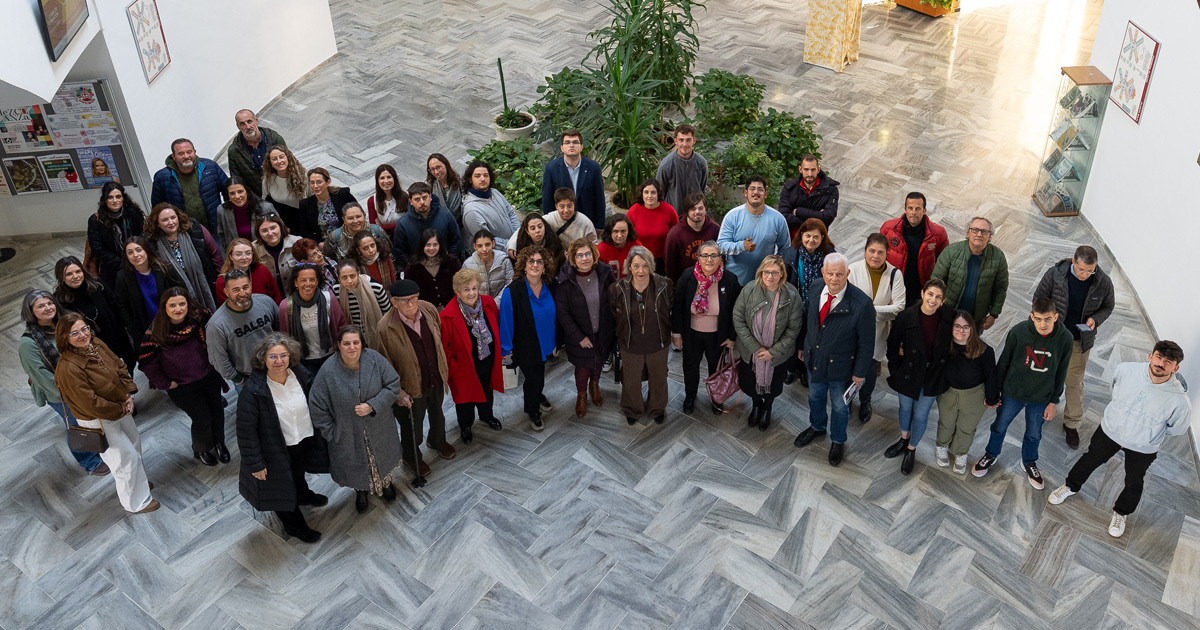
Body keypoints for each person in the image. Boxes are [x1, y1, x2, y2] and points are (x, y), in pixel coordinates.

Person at [1048, 341, 1192, 538]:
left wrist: (1146, 431)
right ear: (1150, 356)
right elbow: (1114, 389)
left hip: (1143, 446)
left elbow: (1176, 429)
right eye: (1158, 357)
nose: (1161, 363)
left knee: (1134, 481)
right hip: (1110, 431)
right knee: (1089, 460)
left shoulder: (1179, 400)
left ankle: (1121, 513)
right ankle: (1070, 486)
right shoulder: (1126, 370)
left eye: (1168, 362)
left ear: (1175, 367)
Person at [55, 313, 158, 514]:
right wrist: (121, 408)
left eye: (84, 329)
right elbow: (90, 403)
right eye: (74, 333)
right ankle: (136, 503)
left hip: (121, 406)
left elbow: (119, 365)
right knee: (123, 460)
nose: (83, 335)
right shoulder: (68, 368)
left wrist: (128, 394)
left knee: (134, 447)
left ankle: (140, 485)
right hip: (100, 420)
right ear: (64, 338)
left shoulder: (96, 344)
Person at [237, 333, 329, 543]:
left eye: (283, 355)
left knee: (297, 474)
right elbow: (246, 431)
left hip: (302, 440)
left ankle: (303, 495)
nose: (279, 361)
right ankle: (295, 527)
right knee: (280, 488)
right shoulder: (253, 391)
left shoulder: (299, 373)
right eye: (273, 357)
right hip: (275, 449)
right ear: (263, 359)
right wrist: (255, 463)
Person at [973, 297, 1074, 489]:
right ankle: (991, 455)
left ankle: (1029, 462)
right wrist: (994, 392)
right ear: (1032, 316)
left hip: (1041, 397)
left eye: (1047, 319)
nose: (1042, 324)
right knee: (999, 426)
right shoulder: (1018, 332)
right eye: (1038, 319)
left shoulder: (1065, 338)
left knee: (1034, 433)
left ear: (1056, 317)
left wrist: (1054, 401)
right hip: (1013, 392)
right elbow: (1003, 362)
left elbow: (1062, 371)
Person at [793, 253, 876, 466]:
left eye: (840, 274)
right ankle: (817, 427)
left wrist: (859, 374)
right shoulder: (815, 288)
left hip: (841, 368)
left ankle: (838, 440)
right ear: (823, 272)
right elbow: (808, 320)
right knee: (815, 398)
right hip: (814, 360)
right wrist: (804, 344)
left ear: (847, 274)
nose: (834, 278)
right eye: (830, 273)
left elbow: (867, 344)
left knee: (840, 407)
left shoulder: (862, 303)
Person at [310, 326, 402, 512]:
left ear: (362, 344)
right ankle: (360, 491)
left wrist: (373, 405)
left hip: (379, 427)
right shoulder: (328, 371)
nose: (351, 347)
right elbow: (316, 405)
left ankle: (386, 484)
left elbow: (393, 384)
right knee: (355, 467)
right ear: (338, 345)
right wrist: (332, 432)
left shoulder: (375, 359)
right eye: (346, 343)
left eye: (356, 342)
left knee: (383, 458)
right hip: (347, 433)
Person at [1033, 245, 1116, 449]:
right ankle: (1040, 413)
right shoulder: (1055, 274)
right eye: (1081, 270)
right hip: (1052, 337)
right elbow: (1039, 299)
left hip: (1080, 341)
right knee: (1045, 375)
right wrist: (1048, 321)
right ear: (1073, 262)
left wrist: (1095, 319)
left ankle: (1071, 424)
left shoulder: (1103, 282)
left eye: (1090, 270)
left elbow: (1108, 306)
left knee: (1074, 383)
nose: (1086, 274)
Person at [19, 291, 107, 476]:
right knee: (76, 426)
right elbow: (42, 377)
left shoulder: (63, 324)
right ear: (31, 312)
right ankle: (89, 461)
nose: (47, 308)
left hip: (83, 383)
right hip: (61, 394)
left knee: (91, 419)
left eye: (49, 303)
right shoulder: (28, 344)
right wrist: (72, 393)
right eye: (40, 306)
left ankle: (103, 446)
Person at [138, 288, 230, 466]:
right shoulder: (155, 333)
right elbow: (147, 363)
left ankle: (220, 442)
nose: (178, 309)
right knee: (202, 418)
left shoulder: (200, 318)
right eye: (172, 305)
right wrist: (165, 384)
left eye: (182, 304)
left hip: (208, 375)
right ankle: (201, 448)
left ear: (188, 304)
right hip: (182, 386)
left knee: (217, 410)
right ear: (164, 307)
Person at [376, 280, 455, 477]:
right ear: (394, 303)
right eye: (405, 301)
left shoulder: (428, 309)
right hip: (409, 387)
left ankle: (437, 441)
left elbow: (438, 336)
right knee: (412, 425)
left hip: (434, 376)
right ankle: (411, 456)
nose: (412, 304)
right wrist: (399, 394)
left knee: (438, 413)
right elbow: (384, 366)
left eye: (414, 298)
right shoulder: (385, 327)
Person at [883, 279, 955, 474]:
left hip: (932, 373)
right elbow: (892, 345)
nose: (933, 300)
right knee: (905, 407)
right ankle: (903, 439)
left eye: (938, 297)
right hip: (908, 371)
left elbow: (961, 337)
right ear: (923, 294)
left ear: (943, 300)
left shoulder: (949, 316)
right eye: (930, 294)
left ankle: (911, 449)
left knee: (921, 414)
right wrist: (896, 369)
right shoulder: (906, 317)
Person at [733, 255, 803, 432]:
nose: (770, 276)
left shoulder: (792, 296)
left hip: (777, 355)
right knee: (751, 382)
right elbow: (738, 319)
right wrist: (755, 348)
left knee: (772, 386)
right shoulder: (749, 290)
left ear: (782, 275)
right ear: (760, 272)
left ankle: (768, 407)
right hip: (751, 352)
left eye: (775, 272)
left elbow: (794, 329)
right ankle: (756, 405)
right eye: (766, 272)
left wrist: (773, 351)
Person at [673, 241, 741, 415]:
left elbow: (736, 311)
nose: (709, 259)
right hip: (691, 332)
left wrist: (732, 337)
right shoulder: (688, 276)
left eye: (714, 256)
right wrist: (677, 332)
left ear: (720, 258)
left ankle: (716, 399)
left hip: (718, 335)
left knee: (716, 368)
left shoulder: (730, 279)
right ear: (698, 258)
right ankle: (690, 396)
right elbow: (678, 305)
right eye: (705, 255)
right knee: (690, 366)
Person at [609, 246, 673, 425]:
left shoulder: (664, 284)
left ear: (651, 266)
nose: (641, 271)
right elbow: (614, 315)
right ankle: (632, 408)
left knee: (659, 377)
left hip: (658, 341)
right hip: (631, 342)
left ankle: (657, 408)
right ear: (629, 267)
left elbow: (670, 310)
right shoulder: (617, 289)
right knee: (630, 378)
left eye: (645, 266)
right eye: (636, 266)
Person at [846, 234, 905, 422]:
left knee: (870, 370)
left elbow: (899, 308)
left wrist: (867, 310)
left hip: (877, 333)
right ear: (865, 251)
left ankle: (865, 400)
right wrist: (883, 308)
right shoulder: (852, 270)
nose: (875, 256)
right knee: (849, 367)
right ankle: (847, 400)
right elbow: (845, 302)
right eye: (872, 251)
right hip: (851, 332)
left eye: (881, 252)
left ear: (887, 253)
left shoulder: (895, 274)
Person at [443, 268, 505, 441]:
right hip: (464, 369)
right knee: (465, 402)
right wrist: (455, 369)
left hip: (487, 362)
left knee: (487, 393)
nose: (471, 293)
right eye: (466, 289)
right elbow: (444, 348)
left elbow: (497, 326)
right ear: (457, 292)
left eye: (474, 288)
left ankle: (487, 416)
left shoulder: (488, 303)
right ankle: (465, 426)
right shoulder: (447, 316)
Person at [556, 239, 615, 418]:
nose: (584, 258)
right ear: (573, 258)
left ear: (594, 254)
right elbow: (563, 314)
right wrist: (579, 337)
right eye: (579, 255)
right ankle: (581, 395)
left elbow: (613, 299)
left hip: (603, 331)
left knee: (598, 361)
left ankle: (595, 385)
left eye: (587, 254)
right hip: (580, 336)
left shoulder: (605, 272)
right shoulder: (565, 280)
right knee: (582, 368)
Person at [935, 311, 999, 475]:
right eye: (957, 326)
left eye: (966, 327)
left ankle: (961, 453)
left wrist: (992, 398)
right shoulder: (943, 345)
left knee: (967, 427)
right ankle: (941, 446)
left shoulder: (985, 350)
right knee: (946, 422)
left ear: (972, 328)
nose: (961, 330)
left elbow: (991, 375)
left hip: (973, 395)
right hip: (947, 392)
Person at [499, 250, 557, 428]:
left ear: (545, 267)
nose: (535, 265)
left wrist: (556, 342)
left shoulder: (551, 286)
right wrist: (506, 349)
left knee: (539, 374)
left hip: (546, 342)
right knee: (532, 378)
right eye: (531, 261)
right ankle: (532, 411)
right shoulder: (513, 291)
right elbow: (506, 322)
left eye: (540, 261)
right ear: (523, 265)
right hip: (526, 345)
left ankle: (538, 396)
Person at [54, 255, 138, 375]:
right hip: (90, 345)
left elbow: (115, 305)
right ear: (61, 278)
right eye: (69, 274)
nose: (75, 276)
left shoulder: (97, 284)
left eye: (78, 271)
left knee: (127, 367)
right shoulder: (60, 300)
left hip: (117, 336)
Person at [931, 216, 1009, 332]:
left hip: (976, 318)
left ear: (990, 236)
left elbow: (1000, 288)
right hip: (948, 312)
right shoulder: (951, 251)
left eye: (984, 231)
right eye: (975, 230)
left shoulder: (998, 257)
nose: (979, 234)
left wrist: (993, 314)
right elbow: (936, 281)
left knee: (969, 347)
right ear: (968, 233)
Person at [144, 203, 224, 312]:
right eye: (165, 220)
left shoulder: (195, 230)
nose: (171, 222)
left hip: (206, 284)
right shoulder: (152, 243)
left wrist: (221, 277)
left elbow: (215, 253)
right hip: (175, 294)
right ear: (157, 223)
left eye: (173, 217)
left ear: (178, 217)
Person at [207, 270, 279, 389]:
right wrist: (240, 380)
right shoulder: (216, 324)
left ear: (250, 285)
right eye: (236, 289)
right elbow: (218, 359)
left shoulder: (266, 302)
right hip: (248, 378)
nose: (242, 293)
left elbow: (280, 331)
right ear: (226, 292)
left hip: (277, 367)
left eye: (245, 287)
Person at [717, 176, 791, 285]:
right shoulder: (732, 216)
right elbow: (720, 247)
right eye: (752, 189)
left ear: (765, 194)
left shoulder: (778, 219)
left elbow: (785, 250)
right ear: (746, 193)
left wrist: (775, 272)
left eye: (760, 189)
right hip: (734, 281)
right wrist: (742, 246)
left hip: (765, 282)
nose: (756, 192)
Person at [880, 192, 949, 308]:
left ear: (924, 210)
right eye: (910, 208)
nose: (913, 212)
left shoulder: (938, 233)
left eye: (918, 209)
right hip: (894, 287)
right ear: (905, 209)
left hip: (921, 290)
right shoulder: (888, 228)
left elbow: (944, 263)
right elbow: (880, 256)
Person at [113, 237, 185, 347]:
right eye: (130, 252)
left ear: (146, 250)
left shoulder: (165, 268)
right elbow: (122, 306)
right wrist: (132, 328)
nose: (136, 255)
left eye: (138, 250)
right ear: (126, 257)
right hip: (145, 329)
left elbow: (182, 291)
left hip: (172, 323)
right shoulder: (122, 278)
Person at [278, 263, 348, 375]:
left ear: (317, 282)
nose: (308, 284)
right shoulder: (286, 306)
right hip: (305, 361)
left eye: (312, 279)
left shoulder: (329, 298)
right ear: (296, 283)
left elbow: (342, 326)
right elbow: (285, 337)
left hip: (331, 355)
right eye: (303, 280)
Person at [151, 138, 228, 234]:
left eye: (189, 152)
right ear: (173, 156)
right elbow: (157, 209)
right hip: (185, 233)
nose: (186, 156)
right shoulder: (162, 177)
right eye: (181, 154)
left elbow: (228, 191)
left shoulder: (210, 167)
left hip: (216, 228)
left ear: (194, 152)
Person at [542, 129, 607, 230]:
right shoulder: (551, 169)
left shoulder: (593, 168)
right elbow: (547, 200)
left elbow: (599, 199)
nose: (571, 145)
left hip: (586, 224)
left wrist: (599, 227)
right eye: (567, 142)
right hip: (561, 225)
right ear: (562, 148)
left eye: (575, 142)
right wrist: (550, 227)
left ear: (581, 147)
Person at [87, 182, 146, 289]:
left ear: (123, 198)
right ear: (105, 200)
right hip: (113, 267)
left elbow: (143, 235)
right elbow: (98, 248)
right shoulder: (96, 220)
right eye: (110, 197)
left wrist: (134, 257)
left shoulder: (134, 213)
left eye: (118, 196)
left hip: (138, 260)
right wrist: (122, 264)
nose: (115, 201)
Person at [392, 182, 462, 268]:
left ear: (430, 197)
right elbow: (400, 251)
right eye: (417, 199)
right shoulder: (403, 224)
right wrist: (413, 267)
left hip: (445, 266)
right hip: (418, 270)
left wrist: (449, 260)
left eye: (424, 198)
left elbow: (456, 240)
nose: (422, 202)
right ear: (410, 201)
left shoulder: (446, 215)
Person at [462, 160, 521, 255]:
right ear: (470, 179)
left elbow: (511, 213)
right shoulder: (471, 210)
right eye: (477, 176)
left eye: (486, 175)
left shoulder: (495, 192)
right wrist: (512, 244)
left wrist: (518, 236)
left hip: (515, 245)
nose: (482, 179)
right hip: (497, 255)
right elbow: (486, 240)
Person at [228, 109, 286, 198]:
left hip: (282, 192)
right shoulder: (234, 151)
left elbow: (289, 164)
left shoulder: (275, 139)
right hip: (257, 199)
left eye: (249, 121)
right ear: (238, 127)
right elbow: (238, 179)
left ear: (256, 121)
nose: (247, 126)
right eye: (242, 124)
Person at [626, 178, 678, 275]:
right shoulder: (633, 211)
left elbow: (676, 234)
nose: (650, 196)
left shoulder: (669, 210)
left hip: (662, 259)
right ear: (642, 194)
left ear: (658, 194)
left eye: (653, 192)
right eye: (646, 192)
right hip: (639, 258)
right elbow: (627, 235)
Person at [334, 260, 391, 348]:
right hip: (352, 339)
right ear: (339, 278)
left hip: (376, 335)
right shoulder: (336, 291)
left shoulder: (375, 287)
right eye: (344, 277)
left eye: (352, 276)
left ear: (358, 274)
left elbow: (387, 314)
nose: (349, 281)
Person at [664, 193, 720, 283]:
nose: (697, 211)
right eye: (693, 209)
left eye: (700, 208)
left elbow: (722, 258)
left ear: (705, 209)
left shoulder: (716, 230)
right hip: (685, 282)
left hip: (711, 281)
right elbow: (670, 263)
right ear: (686, 211)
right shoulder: (675, 234)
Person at [779, 154, 840, 234]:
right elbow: (784, 216)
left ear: (818, 169)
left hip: (817, 239)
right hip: (793, 239)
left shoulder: (830, 189)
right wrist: (817, 218)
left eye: (813, 170)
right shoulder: (789, 188)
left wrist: (799, 212)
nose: (810, 174)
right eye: (806, 169)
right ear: (800, 169)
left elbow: (828, 217)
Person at [656, 124, 708, 213]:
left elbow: (702, 188)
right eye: (681, 140)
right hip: (674, 215)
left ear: (694, 140)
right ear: (675, 141)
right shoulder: (666, 165)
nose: (685, 144)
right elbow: (660, 193)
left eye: (688, 140)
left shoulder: (701, 163)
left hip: (695, 215)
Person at [298, 167, 359, 242]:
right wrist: (318, 243)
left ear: (328, 182)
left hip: (350, 238)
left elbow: (358, 214)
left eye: (319, 182)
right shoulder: (305, 204)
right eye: (312, 182)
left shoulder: (343, 194)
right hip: (325, 245)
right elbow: (305, 231)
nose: (315, 186)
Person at [406, 229, 462, 309]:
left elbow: (460, 284)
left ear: (440, 245)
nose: (431, 248)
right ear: (422, 246)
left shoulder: (451, 262)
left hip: (452, 307)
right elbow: (410, 292)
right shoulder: (413, 266)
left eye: (435, 245)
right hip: (426, 311)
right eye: (428, 245)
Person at [216, 237, 282, 305]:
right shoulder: (222, 281)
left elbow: (275, 298)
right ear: (230, 256)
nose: (244, 257)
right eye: (238, 254)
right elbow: (225, 308)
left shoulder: (262, 270)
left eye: (248, 253)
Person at [261, 145, 310, 235]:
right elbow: (265, 203)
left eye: (281, 157)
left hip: (304, 221)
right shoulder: (267, 180)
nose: (279, 161)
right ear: (270, 163)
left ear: (288, 158)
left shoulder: (305, 177)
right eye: (274, 159)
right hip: (282, 224)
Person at [217, 176, 276, 247]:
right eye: (232, 193)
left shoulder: (265, 208)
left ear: (247, 191)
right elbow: (222, 235)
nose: (237, 196)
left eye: (240, 191)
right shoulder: (222, 211)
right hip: (239, 255)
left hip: (265, 251)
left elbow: (279, 230)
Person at [252, 213, 301, 291]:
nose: (270, 233)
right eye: (264, 230)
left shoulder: (297, 243)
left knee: (288, 303)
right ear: (259, 233)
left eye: (273, 228)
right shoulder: (253, 249)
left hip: (294, 294)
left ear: (281, 227)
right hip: (269, 296)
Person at [543, 188, 598, 252]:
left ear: (574, 205)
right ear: (556, 206)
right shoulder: (549, 219)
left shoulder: (585, 223)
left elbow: (594, 246)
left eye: (569, 206)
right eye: (562, 206)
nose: (566, 210)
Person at [463, 229, 513, 300]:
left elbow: (510, 283)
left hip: (502, 303)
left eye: (487, 244)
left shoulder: (504, 260)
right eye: (480, 246)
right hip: (478, 306)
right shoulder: (467, 264)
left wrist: (495, 303)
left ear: (493, 243)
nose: (484, 249)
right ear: (475, 246)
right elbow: (465, 288)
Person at [367, 164, 408, 238]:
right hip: (384, 240)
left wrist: (382, 227)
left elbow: (409, 223)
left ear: (394, 179)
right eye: (382, 178)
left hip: (404, 237)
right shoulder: (372, 201)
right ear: (377, 181)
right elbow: (374, 229)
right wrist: (400, 224)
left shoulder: (405, 197)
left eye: (389, 177)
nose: (386, 181)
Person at [597, 213, 642, 279]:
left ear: (628, 231)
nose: (620, 235)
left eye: (623, 231)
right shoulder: (601, 249)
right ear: (610, 231)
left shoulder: (637, 246)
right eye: (615, 231)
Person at [426, 153, 464, 226]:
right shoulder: (431, 185)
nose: (436, 172)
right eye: (432, 169)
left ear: (446, 165)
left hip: (459, 224)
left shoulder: (460, 184)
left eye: (438, 167)